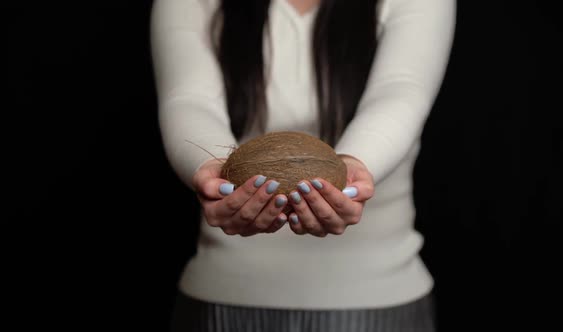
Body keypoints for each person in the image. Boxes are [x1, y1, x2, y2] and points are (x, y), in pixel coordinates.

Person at [151, 0, 455, 330]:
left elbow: (400, 89)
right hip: (222, 295)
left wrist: (353, 166)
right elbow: (189, 99)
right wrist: (211, 168)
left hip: (379, 296)